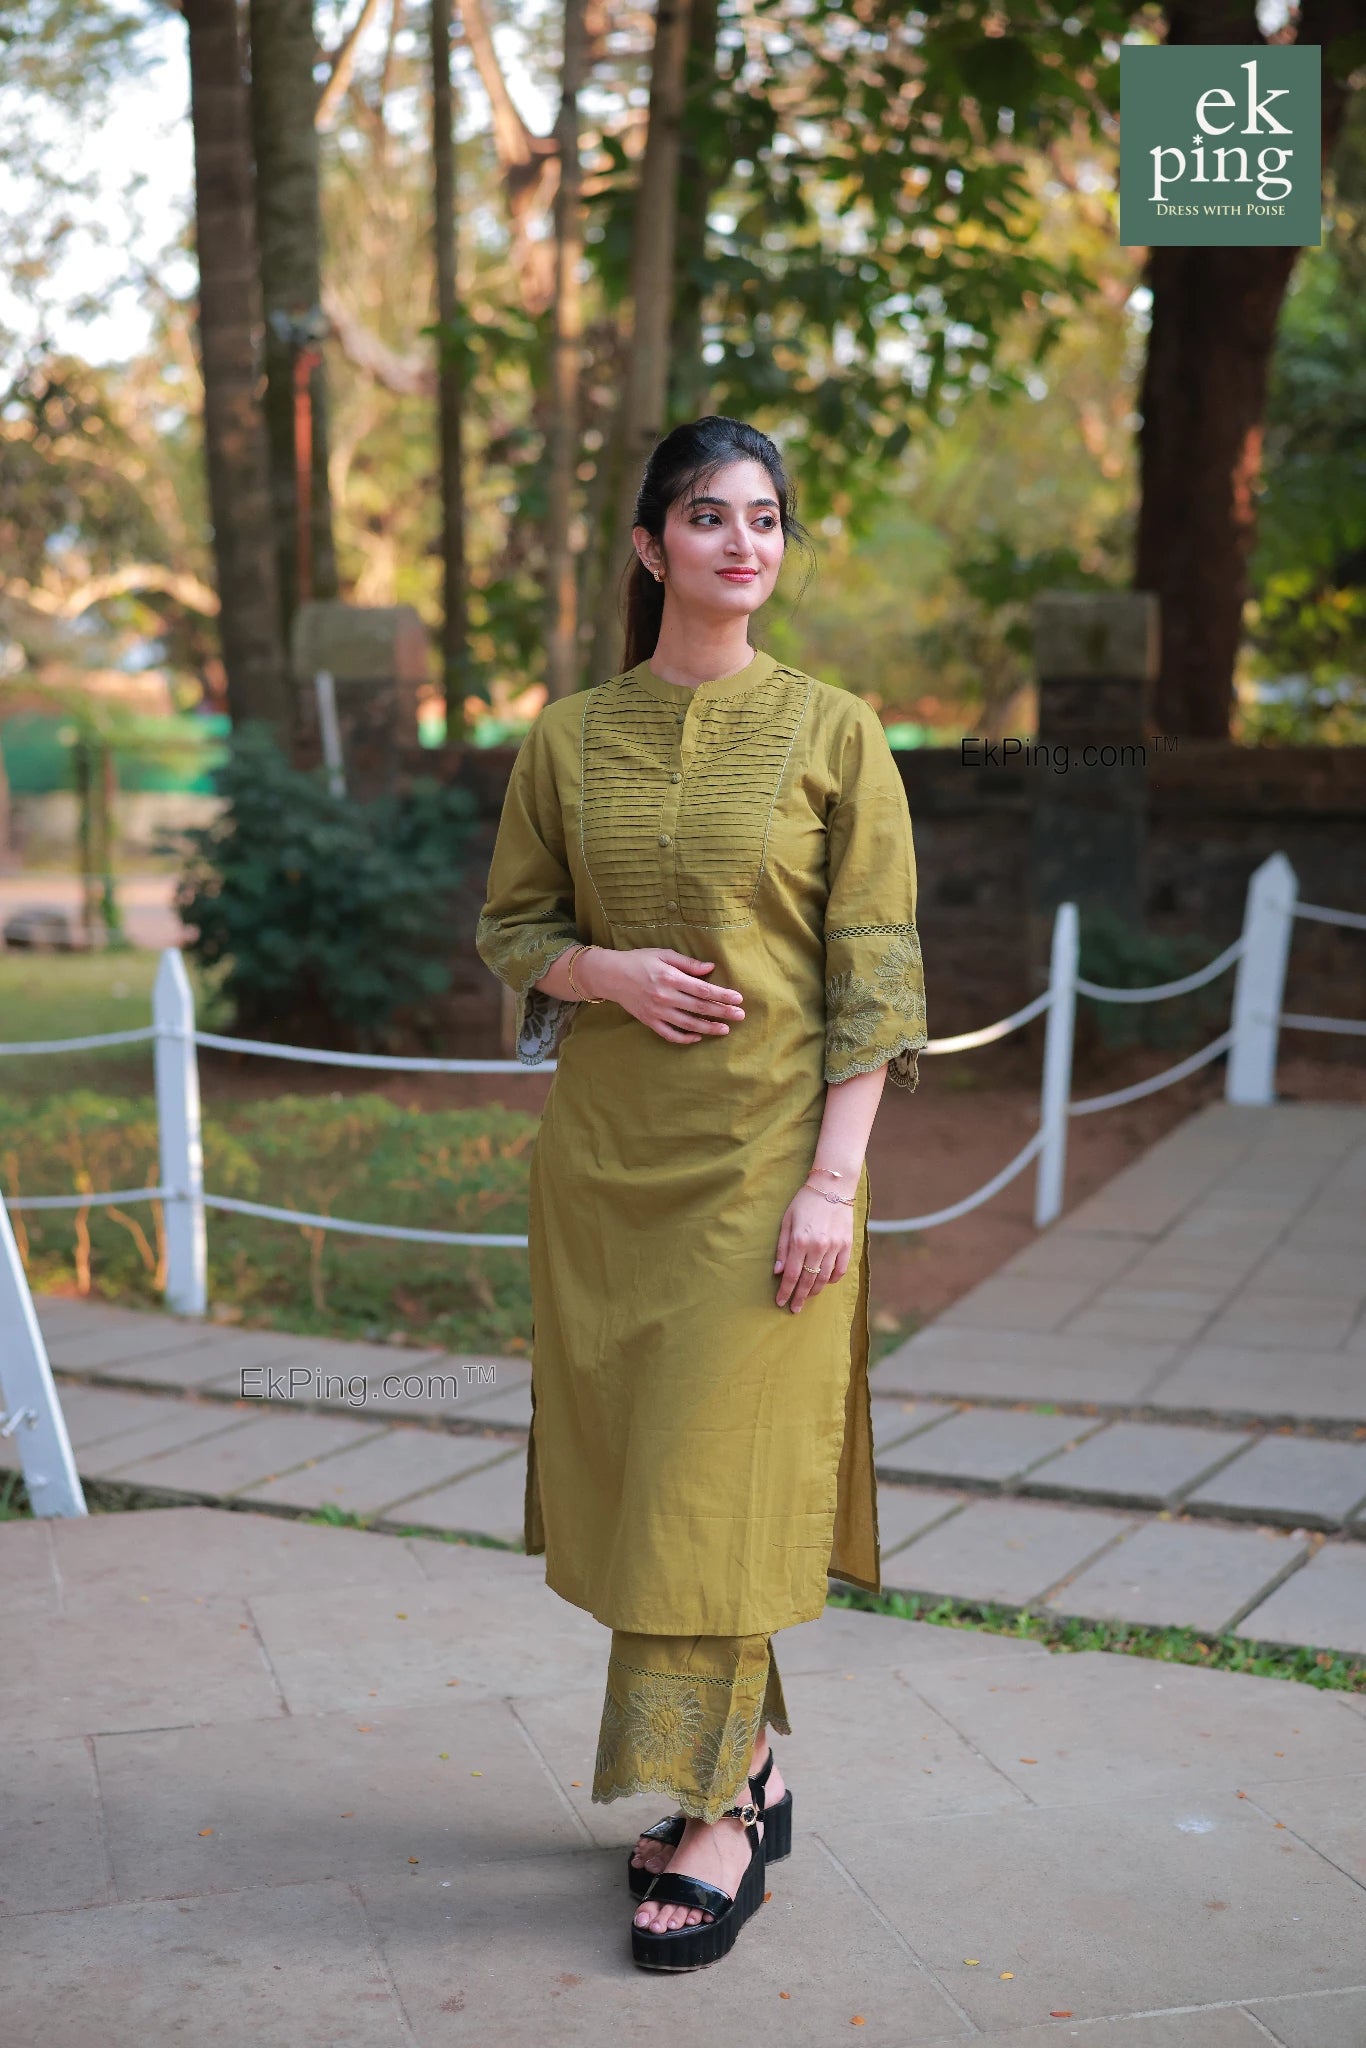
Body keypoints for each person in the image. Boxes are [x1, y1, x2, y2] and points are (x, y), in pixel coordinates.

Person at [475, 415, 928, 1972]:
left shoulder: (834, 734)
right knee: (653, 1487)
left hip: (768, 1175)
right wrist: (598, 970)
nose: (744, 542)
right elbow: (512, 927)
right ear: (649, 545)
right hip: (607, 1175)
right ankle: (756, 1770)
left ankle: (716, 1813)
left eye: (766, 518)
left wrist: (830, 1186)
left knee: (704, 1487)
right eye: (710, 516)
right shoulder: (567, 739)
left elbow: (877, 978)